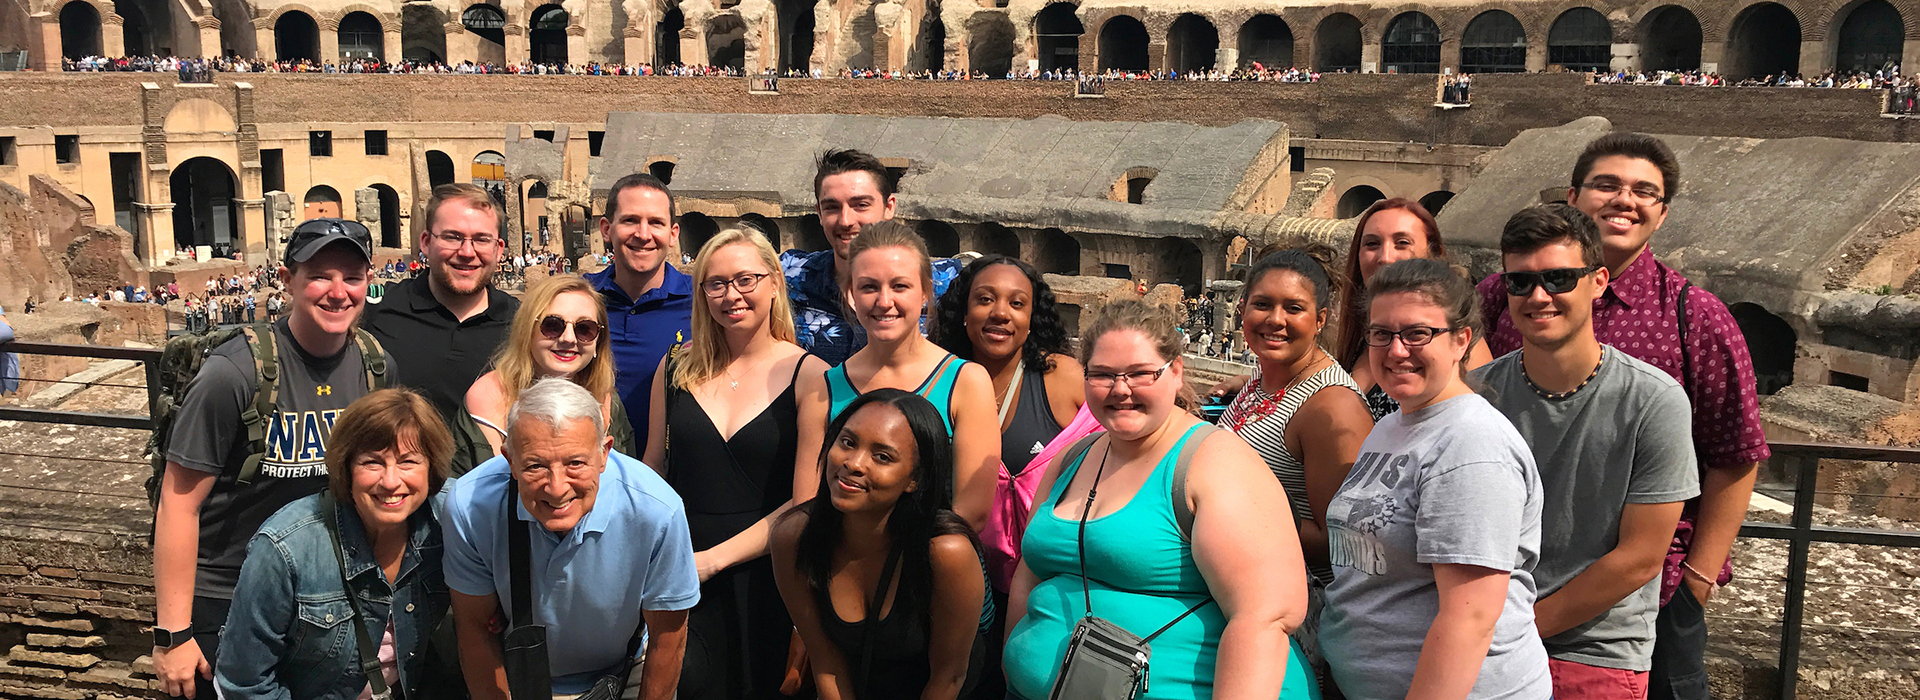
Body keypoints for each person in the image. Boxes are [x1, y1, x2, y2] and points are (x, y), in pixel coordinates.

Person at [1476, 133, 1769, 700]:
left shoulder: (1696, 316)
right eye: (1607, 184)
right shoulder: (1502, 293)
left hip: (1650, 593)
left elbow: (1736, 454)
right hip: (1507, 584)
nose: (1623, 200)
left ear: (1662, 213)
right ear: (1573, 195)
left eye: (1644, 191)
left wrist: (1697, 582)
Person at [1004, 299, 1319, 700]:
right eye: (1102, 375)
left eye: (1140, 374)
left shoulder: (1215, 464)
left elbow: (1264, 617)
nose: (1120, 389)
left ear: (1176, 372)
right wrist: (1011, 664)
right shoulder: (1074, 456)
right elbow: (1030, 572)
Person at [153, 218, 389, 700]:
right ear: (287, 280)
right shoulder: (234, 373)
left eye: (353, 276)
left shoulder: (375, 365)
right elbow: (178, 504)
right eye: (320, 275)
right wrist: (173, 634)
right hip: (227, 593)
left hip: (326, 591)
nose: (338, 291)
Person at [1474, 204, 1698, 699]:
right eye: (1520, 282)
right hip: (1486, 639)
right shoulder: (1476, 394)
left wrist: (1519, 629)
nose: (1538, 296)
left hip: (1594, 650)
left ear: (1597, 281)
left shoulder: (1653, 401)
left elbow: (1640, 558)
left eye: (1558, 278)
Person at [1319, 258, 1550, 700]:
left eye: (1417, 333)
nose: (1396, 350)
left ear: (1462, 340)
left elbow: (1470, 620)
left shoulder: (1470, 444)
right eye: (1382, 333)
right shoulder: (1393, 425)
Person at [641, 228, 828, 700]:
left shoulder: (812, 375)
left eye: (746, 279)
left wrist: (713, 561)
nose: (731, 295)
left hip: (769, 571)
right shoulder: (674, 367)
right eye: (715, 283)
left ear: (774, 284)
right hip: (680, 567)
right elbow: (653, 470)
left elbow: (805, 504)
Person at [443, 378, 700, 700]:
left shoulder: (656, 510)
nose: (557, 487)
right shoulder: (470, 505)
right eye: (536, 466)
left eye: (575, 463)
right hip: (516, 671)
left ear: (604, 453)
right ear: (509, 460)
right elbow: (475, 629)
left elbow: (668, 636)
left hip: (628, 667)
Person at [216, 389, 454, 700]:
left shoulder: (450, 519)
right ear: (346, 467)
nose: (391, 481)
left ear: (432, 467)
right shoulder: (285, 549)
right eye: (372, 463)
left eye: (409, 462)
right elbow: (244, 683)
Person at [928, 254, 1086, 699]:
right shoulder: (939, 379)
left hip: (1043, 589)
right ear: (963, 312)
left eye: (1017, 303)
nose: (1001, 312)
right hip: (959, 586)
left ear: (1033, 318)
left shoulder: (1060, 378)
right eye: (985, 299)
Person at [1216, 248, 1372, 696]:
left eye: (1294, 308)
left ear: (1320, 319)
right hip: (1248, 584)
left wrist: (1242, 509)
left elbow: (1341, 545)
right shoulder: (1265, 377)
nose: (1275, 319)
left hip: (1299, 609)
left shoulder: (1331, 407)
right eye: (1262, 304)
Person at [769, 389, 989, 700]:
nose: (854, 463)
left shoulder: (946, 553)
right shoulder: (793, 537)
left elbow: (949, 676)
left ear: (914, 480)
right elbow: (825, 661)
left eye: (882, 456)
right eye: (847, 442)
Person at [795, 221, 999, 530]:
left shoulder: (966, 382)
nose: (884, 301)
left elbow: (972, 512)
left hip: (932, 564)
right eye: (869, 287)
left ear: (925, 292)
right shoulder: (823, 388)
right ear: (851, 293)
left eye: (899, 286)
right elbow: (808, 506)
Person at [1210, 199, 1489, 417]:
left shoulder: (1455, 342)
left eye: (1402, 243)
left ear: (1434, 253)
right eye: (1372, 244)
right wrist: (1255, 384)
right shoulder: (1364, 338)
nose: (1385, 257)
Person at [781, 149, 962, 366]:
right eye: (832, 208)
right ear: (819, 213)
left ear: (889, 207)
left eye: (861, 205)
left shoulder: (950, 283)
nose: (846, 220)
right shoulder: (791, 276)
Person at [365, 184, 518, 422]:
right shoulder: (377, 311)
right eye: (452, 237)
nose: (467, 251)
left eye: (481, 239)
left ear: (498, 249)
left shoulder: (524, 323)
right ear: (425, 242)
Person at [465, 274, 631, 464]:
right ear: (527, 330)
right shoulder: (490, 397)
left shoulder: (607, 398)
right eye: (552, 325)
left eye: (585, 329)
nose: (568, 338)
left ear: (598, 341)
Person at [586, 173, 692, 455]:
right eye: (631, 220)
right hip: (588, 477)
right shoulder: (579, 301)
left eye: (656, 222)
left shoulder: (702, 304)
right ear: (606, 229)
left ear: (673, 234)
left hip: (676, 477)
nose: (643, 234)